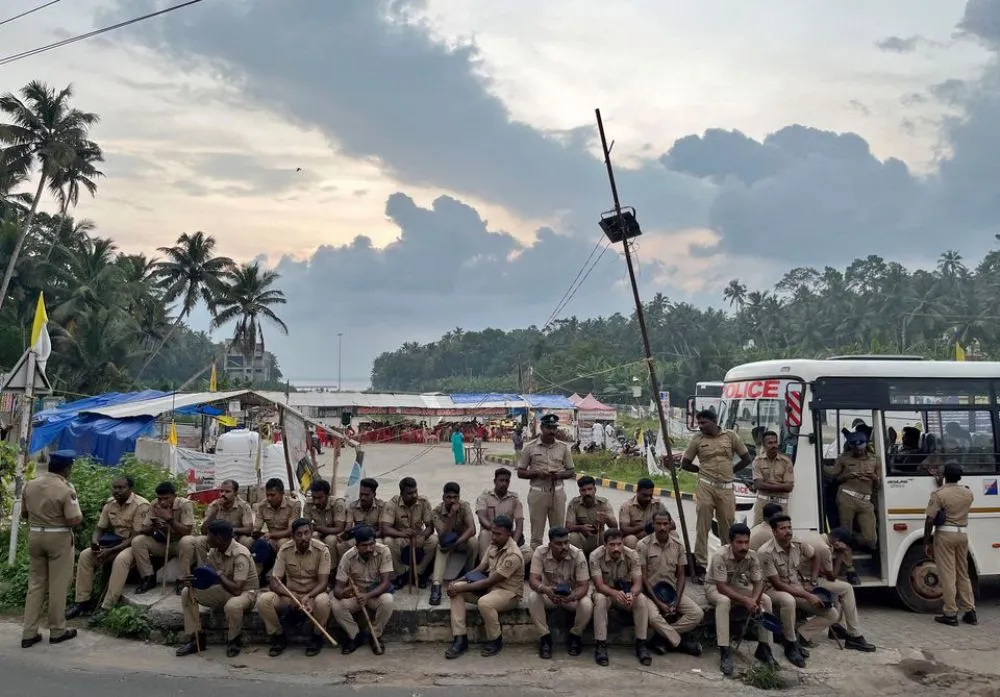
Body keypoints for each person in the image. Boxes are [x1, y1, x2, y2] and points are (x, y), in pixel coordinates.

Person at [20, 450, 83, 648]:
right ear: (67, 468)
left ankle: (29, 632)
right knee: (58, 585)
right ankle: (57, 630)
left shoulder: (31, 484)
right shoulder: (66, 489)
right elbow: (73, 519)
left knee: (36, 585)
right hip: (58, 537)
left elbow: (24, 514)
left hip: (35, 535)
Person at [757, 514, 836, 667]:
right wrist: (807, 595)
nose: (788, 531)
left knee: (832, 613)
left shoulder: (798, 543)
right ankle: (790, 644)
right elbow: (778, 584)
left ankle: (799, 636)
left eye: (789, 527)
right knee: (788, 600)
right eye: (783, 528)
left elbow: (816, 556)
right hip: (771, 590)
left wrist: (812, 581)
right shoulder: (765, 552)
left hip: (796, 587)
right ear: (774, 531)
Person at [680, 409, 752, 576]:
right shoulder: (697, 439)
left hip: (726, 487)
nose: (701, 426)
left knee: (727, 527)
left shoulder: (731, 436)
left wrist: (731, 471)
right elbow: (685, 463)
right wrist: (700, 470)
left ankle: (729, 565)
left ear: (713, 422)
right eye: (699, 423)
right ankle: (700, 566)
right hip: (706, 486)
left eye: (704, 423)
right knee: (702, 526)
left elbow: (747, 458)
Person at [67, 476, 149, 619]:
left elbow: (135, 536)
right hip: (113, 542)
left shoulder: (141, 505)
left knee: (120, 560)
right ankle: (82, 602)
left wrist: (110, 551)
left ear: (130, 489)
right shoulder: (110, 503)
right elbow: (100, 528)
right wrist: (95, 542)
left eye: (121, 488)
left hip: (133, 544)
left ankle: (107, 607)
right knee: (86, 555)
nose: (117, 491)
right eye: (115, 488)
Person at [444, 515, 524, 660]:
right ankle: (460, 638)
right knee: (456, 591)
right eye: (493, 532)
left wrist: (460, 587)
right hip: (490, 589)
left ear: (509, 534)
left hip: (508, 594)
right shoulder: (494, 545)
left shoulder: (514, 555)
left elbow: (489, 582)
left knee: (484, 602)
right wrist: (456, 582)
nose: (493, 536)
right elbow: (480, 568)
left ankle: (495, 640)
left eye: (498, 534)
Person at [175, 520, 259, 657]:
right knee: (187, 592)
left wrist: (218, 575)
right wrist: (192, 581)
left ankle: (233, 640)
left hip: (246, 594)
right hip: (225, 589)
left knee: (233, 605)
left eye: (209, 535)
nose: (206, 539)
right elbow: (208, 579)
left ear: (218, 538)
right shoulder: (214, 551)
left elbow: (237, 590)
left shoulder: (240, 554)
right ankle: (196, 638)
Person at [704, 523, 779, 676]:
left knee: (766, 600)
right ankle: (724, 650)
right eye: (739, 542)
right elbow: (721, 587)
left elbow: (759, 582)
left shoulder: (751, 555)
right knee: (724, 601)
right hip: (714, 587)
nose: (744, 546)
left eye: (746, 542)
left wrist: (755, 599)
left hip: (735, 585)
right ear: (731, 542)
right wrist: (747, 600)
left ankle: (764, 647)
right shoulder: (720, 555)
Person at [254, 518, 332, 657]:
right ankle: (278, 636)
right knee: (263, 600)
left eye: (307, 533)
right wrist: (292, 596)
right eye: (299, 534)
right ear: (293, 536)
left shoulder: (322, 550)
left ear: (312, 532)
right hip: (290, 596)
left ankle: (317, 637)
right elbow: (274, 581)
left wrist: (308, 597)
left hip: (313, 595)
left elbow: (323, 583)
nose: (304, 538)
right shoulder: (285, 550)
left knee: (324, 601)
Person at [637, 510, 703, 656]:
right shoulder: (643, 545)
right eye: (658, 524)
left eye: (665, 524)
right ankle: (680, 643)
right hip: (650, 593)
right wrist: (658, 602)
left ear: (670, 525)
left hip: (671, 591)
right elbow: (643, 577)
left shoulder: (678, 545)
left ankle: (661, 637)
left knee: (697, 613)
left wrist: (676, 601)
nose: (662, 527)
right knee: (654, 617)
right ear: (653, 525)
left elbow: (681, 576)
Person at [527, 526, 593, 659]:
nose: (564, 547)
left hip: (571, 597)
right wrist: (545, 590)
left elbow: (583, 586)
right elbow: (533, 580)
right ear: (550, 544)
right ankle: (545, 638)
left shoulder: (577, 554)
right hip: (549, 595)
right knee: (533, 597)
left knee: (587, 604)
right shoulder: (540, 552)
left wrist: (572, 596)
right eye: (558, 544)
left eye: (566, 542)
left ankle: (575, 636)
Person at [589, 528, 652, 666]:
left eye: (619, 544)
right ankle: (601, 645)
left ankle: (641, 644)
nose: (616, 548)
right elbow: (599, 585)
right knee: (599, 600)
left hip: (625, 592)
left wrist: (632, 594)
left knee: (641, 599)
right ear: (604, 545)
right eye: (612, 545)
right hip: (606, 593)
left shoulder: (632, 555)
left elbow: (638, 583)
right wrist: (614, 593)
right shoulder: (595, 556)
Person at [924, 462, 977, 627]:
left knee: (947, 575)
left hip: (945, 535)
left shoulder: (938, 494)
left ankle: (950, 613)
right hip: (962, 533)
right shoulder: (968, 493)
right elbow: (953, 495)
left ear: (945, 475)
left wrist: (927, 540)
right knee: (963, 573)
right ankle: (970, 611)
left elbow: (930, 518)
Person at [330, 525, 394, 655]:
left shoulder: (384, 551)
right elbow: (338, 589)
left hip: (375, 594)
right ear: (357, 545)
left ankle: (375, 635)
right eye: (365, 546)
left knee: (388, 600)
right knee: (335, 603)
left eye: (372, 544)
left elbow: (386, 583)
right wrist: (343, 593)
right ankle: (355, 636)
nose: (369, 548)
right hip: (356, 595)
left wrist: (368, 595)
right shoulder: (348, 557)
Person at [517, 413, 575, 549]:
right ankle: (535, 564)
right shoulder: (530, 447)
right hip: (538, 494)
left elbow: (571, 471)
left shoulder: (563, 448)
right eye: (548, 428)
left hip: (558, 493)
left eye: (554, 428)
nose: (552, 431)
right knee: (537, 534)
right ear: (541, 428)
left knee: (559, 532)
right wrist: (536, 473)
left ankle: (558, 562)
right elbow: (520, 472)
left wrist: (559, 475)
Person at [130, 481, 196, 594]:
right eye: (160, 498)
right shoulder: (155, 504)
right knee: (138, 541)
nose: (162, 502)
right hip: (163, 542)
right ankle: (148, 577)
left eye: (166, 498)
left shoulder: (185, 504)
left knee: (188, 541)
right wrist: (154, 526)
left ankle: (182, 580)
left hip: (179, 544)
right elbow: (144, 529)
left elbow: (187, 531)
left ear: (174, 496)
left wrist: (169, 519)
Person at [179, 479, 253, 578]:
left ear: (236, 493)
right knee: (200, 540)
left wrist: (229, 531)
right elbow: (204, 530)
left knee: (247, 540)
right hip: (216, 539)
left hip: (234, 539)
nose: (223, 494)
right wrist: (215, 512)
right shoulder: (214, 505)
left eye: (227, 492)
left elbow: (249, 529)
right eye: (221, 491)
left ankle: (239, 572)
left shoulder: (243, 506)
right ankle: (211, 571)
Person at [824, 430, 880, 551]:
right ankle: (848, 564)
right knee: (845, 532)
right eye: (854, 448)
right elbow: (833, 474)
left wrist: (875, 478)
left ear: (866, 445)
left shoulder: (875, 460)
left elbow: (880, 483)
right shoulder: (844, 458)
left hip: (866, 500)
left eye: (860, 447)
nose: (857, 450)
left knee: (870, 538)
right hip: (847, 497)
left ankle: (839, 539)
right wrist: (845, 477)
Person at [380, 477, 437, 588]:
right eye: (410, 493)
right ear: (401, 493)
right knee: (388, 541)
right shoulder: (392, 503)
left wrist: (423, 537)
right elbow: (385, 528)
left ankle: (418, 573)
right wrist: (403, 534)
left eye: (415, 491)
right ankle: (402, 574)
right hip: (400, 537)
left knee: (434, 540)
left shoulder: (423, 502)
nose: (414, 495)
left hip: (418, 536)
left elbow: (430, 526)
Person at [429, 482, 477, 605]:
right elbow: (444, 536)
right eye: (449, 497)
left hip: (461, 541)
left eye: (455, 497)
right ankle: (436, 587)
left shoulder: (464, 506)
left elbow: (472, 529)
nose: (452, 501)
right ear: (443, 497)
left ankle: (469, 575)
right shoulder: (436, 512)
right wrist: (451, 515)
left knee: (473, 542)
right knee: (441, 546)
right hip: (446, 543)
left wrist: (455, 544)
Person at [475, 467, 527, 565]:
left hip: (507, 536)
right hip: (490, 533)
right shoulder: (485, 497)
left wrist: (514, 543)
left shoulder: (514, 499)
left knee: (529, 553)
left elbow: (519, 524)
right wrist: (496, 531)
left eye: (507, 481)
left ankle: (504, 568)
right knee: (484, 534)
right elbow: (481, 517)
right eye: (501, 480)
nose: (504, 483)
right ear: (495, 481)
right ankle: (485, 569)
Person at [566, 475, 617, 557]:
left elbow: (615, 526)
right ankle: (579, 561)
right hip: (582, 539)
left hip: (598, 538)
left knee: (609, 537)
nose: (587, 493)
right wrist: (581, 528)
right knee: (573, 537)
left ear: (595, 490)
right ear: (580, 491)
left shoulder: (603, 503)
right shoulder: (574, 504)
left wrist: (607, 518)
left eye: (590, 489)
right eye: (583, 490)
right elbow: (568, 526)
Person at [751, 431, 794, 526]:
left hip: (781, 505)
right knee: (758, 532)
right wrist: (781, 485)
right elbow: (758, 485)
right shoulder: (758, 461)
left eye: (775, 442)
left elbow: (789, 487)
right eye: (770, 443)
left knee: (781, 532)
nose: (774, 445)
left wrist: (766, 484)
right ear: (764, 445)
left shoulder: (786, 462)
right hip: (763, 503)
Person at [304, 479, 347, 568]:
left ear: (327, 495)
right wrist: (315, 529)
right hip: (320, 532)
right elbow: (305, 526)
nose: (316, 501)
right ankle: (316, 567)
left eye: (319, 498)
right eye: (314, 497)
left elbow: (339, 528)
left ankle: (331, 568)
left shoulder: (338, 503)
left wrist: (317, 528)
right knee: (313, 535)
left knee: (330, 540)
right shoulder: (309, 503)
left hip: (335, 534)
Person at [251, 478, 297, 561]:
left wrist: (271, 535)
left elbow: (291, 531)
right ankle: (257, 569)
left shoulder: (293, 505)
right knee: (250, 541)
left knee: (282, 543)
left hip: (287, 538)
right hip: (270, 538)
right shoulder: (262, 506)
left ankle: (281, 570)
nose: (269, 498)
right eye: (267, 495)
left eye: (272, 495)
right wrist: (258, 533)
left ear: (282, 493)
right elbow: (256, 529)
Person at [340, 477, 385, 554]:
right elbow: (348, 527)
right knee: (341, 545)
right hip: (358, 537)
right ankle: (345, 565)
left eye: (367, 495)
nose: (363, 498)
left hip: (375, 538)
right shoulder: (352, 506)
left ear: (374, 494)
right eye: (361, 494)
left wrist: (366, 539)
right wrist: (344, 534)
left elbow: (381, 531)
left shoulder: (381, 506)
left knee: (379, 544)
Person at [617, 478, 664, 549]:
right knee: (630, 540)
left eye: (650, 495)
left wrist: (658, 524)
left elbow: (672, 524)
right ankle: (635, 560)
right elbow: (624, 529)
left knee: (673, 534)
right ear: (637, 491)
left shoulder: (658, 505)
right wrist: (644, 526)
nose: (648, 498)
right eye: (645, 495)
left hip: (654, 536)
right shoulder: (627, 506)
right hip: (636, 538)